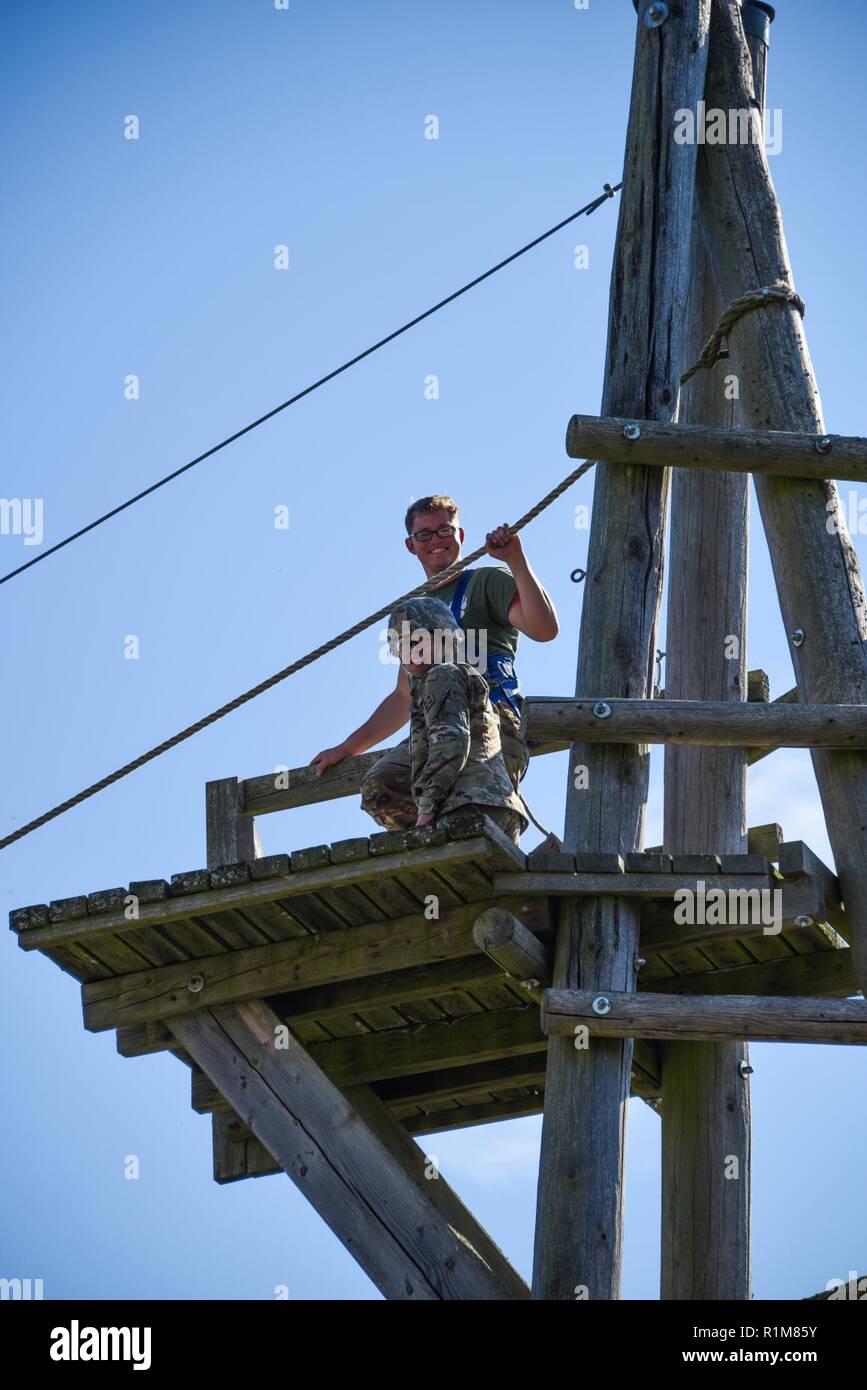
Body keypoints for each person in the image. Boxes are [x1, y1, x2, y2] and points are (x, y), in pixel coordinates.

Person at [310, 494, 559, 830]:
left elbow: (544, 629)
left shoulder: (486, 582)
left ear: (461, 536)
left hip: (489, 720)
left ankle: (481, 833)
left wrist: (515, 560)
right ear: (411, 546)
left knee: (474, 803)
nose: (436, 541)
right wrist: (348, 746)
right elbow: (403, 697)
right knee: (381, 786)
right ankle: (433, 838)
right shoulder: (414, 613)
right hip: (434, 728)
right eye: (424, 535)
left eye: (444, 531)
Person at [385, 596, 528, 844]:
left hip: (468, 807)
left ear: (448, 642)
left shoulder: (442, 676)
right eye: (403, 647)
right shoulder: (457, 678)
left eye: (419, 641)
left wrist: (428, 806)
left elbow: (451, 743)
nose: (412, 652)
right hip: (498, 808)